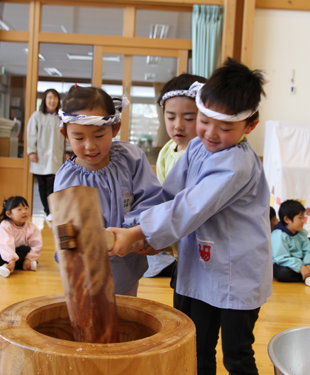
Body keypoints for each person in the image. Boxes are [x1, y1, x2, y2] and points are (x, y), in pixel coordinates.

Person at [108, 58, 272, 375]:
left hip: (236, 274)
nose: (210, 133)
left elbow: (190, 207)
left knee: (236, 355)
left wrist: (142, 233)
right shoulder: (197, 147)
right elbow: (170, 194)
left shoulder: (235, 163)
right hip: (199, 265)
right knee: (194, 347)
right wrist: (138, 228)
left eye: (224, 128)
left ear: (249, 125)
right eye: (205, 121)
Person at [54, 85, 162, 296]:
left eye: (98, 135)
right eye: (79, 138)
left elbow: (151, 199)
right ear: (65, 134)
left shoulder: (131, 159)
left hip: (128, 261)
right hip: (87, 271)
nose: (89, 146)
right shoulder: (66, 178)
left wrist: (135, 234)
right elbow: (65, 230)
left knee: (127, 314)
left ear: (114, 128)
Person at [145, 74, 206, 299]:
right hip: (180, 248)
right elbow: (164, 198)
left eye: (189, 118)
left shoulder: (207, 153)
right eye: (171, 117)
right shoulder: (166, 151)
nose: (178, 125)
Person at [271, 200, 310, 290]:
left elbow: (309, 249)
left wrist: (309, 265)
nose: (303, 221)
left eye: (303, 218)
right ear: (287, 219)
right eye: (300, 218)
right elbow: (281, 258)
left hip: (302, 262)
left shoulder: (301, 233)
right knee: (282, 273)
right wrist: (300, 267)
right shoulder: (278, 235)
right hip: (286, 264)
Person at [27, 89, 64, 218]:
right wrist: (31, 151)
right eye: (49, 98)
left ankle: (51, 211)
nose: (52, 101)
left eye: (55, 98)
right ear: (44, 100)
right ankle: (46, 210)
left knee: (53, 185)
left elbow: (68, 135)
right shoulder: (37, 116)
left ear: (58, 100)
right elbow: (31, 134)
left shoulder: (61, 117)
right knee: (42, 186)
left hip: (56, 156)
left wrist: (68, 151)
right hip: (41, 156)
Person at [0, 196, 42, 278]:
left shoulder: (32, 227)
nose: (24, 212)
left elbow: (36, 245)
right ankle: (19, 265)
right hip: (5, 253)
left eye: (26, 208)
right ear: (9, 214)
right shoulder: (5, 225)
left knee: (24, 249)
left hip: (21, 253)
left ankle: (8, 267)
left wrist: (29, 258)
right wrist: (11, 259)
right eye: (19, 209)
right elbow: (5, 244)